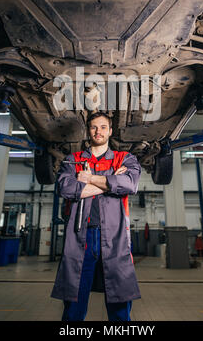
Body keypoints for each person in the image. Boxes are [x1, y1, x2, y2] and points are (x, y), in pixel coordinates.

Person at [51, 111, 142, 321]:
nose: (98, 131)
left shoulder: (124, 158)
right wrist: (110, 182)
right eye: (93, 127)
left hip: (115, 237)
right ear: (87, 131)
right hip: (81, 237)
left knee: (120, 300)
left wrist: (90, 178)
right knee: (74, 302)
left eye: (102, 127)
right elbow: (66, 188)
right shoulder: (73, 160)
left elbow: (130, 184)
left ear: (110, 131)